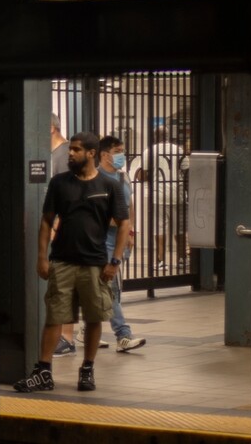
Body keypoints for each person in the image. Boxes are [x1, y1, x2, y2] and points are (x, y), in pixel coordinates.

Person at [14, 132, 129, 393]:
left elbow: (124, 224)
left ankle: (87, 369)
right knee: (55, 316)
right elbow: (46, 221)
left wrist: (115, 260)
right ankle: (43, 372)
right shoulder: (59, 183)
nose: (70, 154)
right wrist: (42, 257)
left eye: (76, 150)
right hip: (62, 261)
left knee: (94, 317)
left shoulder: (110, 186)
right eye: (70, 150)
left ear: (91, 153)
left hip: (95, 264)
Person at [83, 135, 146, 353]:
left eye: (122, 150)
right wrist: (120, 223)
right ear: (104, 154)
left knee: (106, 287)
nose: (122, 155)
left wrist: (130, 231)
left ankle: (87, 328)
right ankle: (123, 335)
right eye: (118, 150)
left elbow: (129, 205)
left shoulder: (123, 177)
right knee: (110, 289)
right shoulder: (94, 178)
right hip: (101, 241)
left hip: (120, 240)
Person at [49, 114, 82, 356]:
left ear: (51, 128)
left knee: (65, 284)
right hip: (54, 227)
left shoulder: (63, 155)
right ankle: (62, 334)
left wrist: (57, 224)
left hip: (63, 229)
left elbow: (68, 193)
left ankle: (68, 337)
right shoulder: (53, 154)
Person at [135, 126, 190, 270]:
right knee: (180, 228)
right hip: (177, 194)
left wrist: (145, 177)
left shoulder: (150, 151)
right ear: (168, 136)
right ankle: (182, 259)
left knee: (160, 228)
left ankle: (161, 261)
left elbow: (142, 175)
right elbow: (186, 170)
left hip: (158, 194)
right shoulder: (178, 150)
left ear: (155, 137)